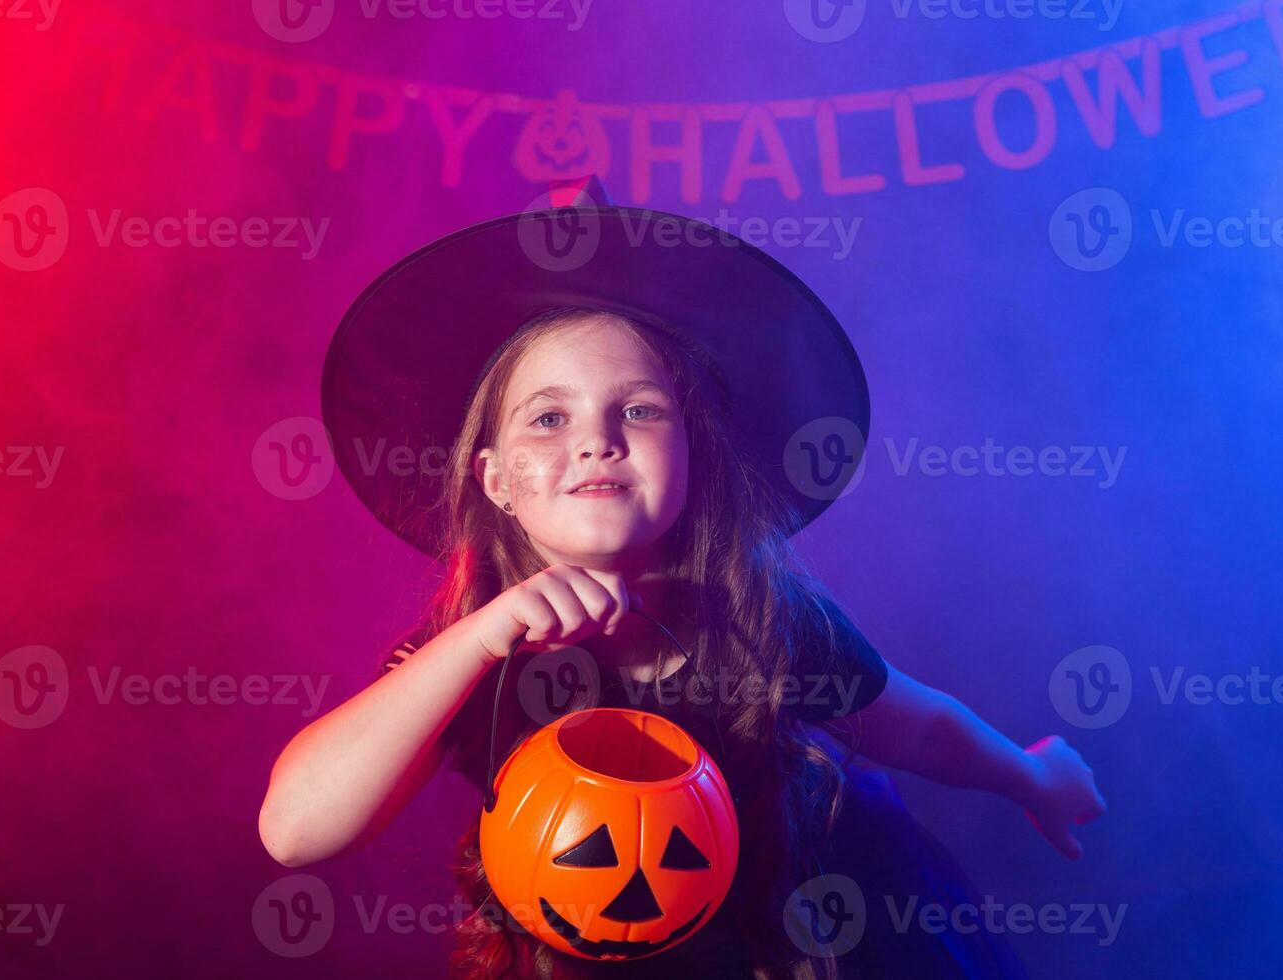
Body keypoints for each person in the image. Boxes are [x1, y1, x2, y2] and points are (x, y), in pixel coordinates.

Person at [259, 182, 1106, 979]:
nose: (597, 441)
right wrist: (479, 641)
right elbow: (295, 831)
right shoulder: (473, 656)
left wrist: (1031, 776)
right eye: (549, 418)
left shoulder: (758, 615)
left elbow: (912, 727)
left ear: (693, 458)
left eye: (638, 410)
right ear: (495, 479)